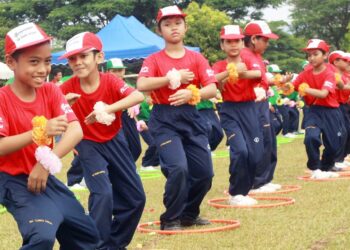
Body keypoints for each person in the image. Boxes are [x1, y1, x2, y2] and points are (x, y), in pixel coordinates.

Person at [0, 23, 99, 249]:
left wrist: (45, 163)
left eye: (47, 61)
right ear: (11, 62)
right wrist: (39, 132)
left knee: (86, 234)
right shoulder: (3, 99)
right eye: (33, 61)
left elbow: (76, 130)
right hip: (12, 180)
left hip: (44, 175)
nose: (43, 69)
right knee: (42, 235)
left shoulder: (51, 90)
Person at [60, 32, 146, 249]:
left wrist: (108, 108)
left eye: (83, 56)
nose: (78, 62)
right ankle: (95, 246)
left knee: (136, 198)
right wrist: (63, 102)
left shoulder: (110, 80)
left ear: (99, 57)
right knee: (103, 194)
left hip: (115, 140)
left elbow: (137, 96)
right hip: (87, 144)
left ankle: (114, 244)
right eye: (72, 58)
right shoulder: (66, 87)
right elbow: (44, 107)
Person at [137, 5, 217, 230]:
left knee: (204, 174)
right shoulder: (153, 60)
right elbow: (142, 84)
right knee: (178, 168)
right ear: (159, 30)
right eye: (167, 24)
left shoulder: (197, 58)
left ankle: (189, 215)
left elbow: (212, 87)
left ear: (185, 27)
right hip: (163, 119)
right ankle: (171, 219)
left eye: (178, 23)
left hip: (192, 117)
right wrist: (173, 77)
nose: (173, 28)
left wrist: (193, 92)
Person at [213, 24, 264, 205]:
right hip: (229, 111)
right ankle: (235, 193)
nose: (233, 45)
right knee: (240, 150)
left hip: (250, 109)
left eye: (237, 41)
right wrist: (228, 73)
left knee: (255, 153)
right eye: (229, 41)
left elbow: (259, 73)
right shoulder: (219, 65)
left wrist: (240, 73)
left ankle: (245, 190)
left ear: (243, 43)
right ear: (222, 45)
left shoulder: (249, 60)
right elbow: (211, 81)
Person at [291, 39, 346, 178]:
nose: (311, 58)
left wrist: (306, 89)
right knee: (311, 138)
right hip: (313, 111)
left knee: (334, 145)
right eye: (309, 55)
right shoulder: (305, 74)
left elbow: (323, 94)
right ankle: (315, 168)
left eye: (315, 54)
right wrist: (286, 85)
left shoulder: (329, 72)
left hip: (331, 111)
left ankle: (326, 167)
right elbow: (293, 86)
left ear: (325, 55)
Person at [240, 21, 282, 192]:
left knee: (269, 139)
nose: (267, 44)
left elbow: (262, 80)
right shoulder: (245, 55)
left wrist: (279, 82)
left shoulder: (257, 56)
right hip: (253, 104)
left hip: (262, 102)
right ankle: (257, 181)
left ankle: (266, 178)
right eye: (265, 40)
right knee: (261, 140)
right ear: (254, 39)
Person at [106, 58, 142, 162]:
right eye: (114, 71)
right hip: (111, 119)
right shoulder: (105, 86)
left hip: (127, 117)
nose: (118, 73)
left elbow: (139, 101)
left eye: (120, 70)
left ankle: (126, 169)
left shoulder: (127, 85)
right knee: (120, 148)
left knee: (136, 149)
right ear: (107, 72)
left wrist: (133, 105)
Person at [328, 51, 350, 169]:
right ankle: (335, 160)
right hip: (335, 106)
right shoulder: (332, 73)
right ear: (336, 62)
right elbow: (339, 87)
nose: (348, 63)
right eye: (345, 60)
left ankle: (340, 158)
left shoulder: (343, 74)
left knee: (346, 131)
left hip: (343, 105)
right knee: (340, 133)